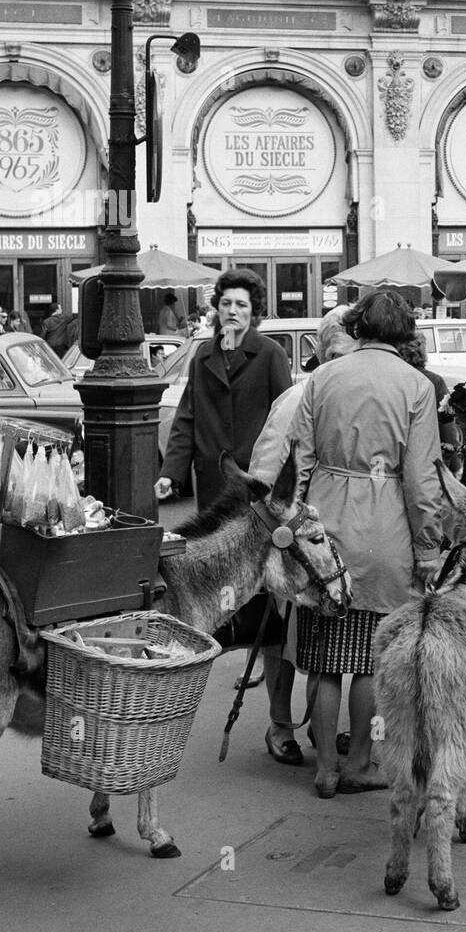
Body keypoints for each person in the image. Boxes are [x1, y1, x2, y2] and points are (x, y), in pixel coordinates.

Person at [291, 289, 444, 798]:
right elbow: (423, 481)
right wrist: (429, 549)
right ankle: (359, 761)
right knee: (366, 658)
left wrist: (299, 529)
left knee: (323, 656)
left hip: (325, 527)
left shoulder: (322, 377)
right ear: (406, 334)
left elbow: (300, 461)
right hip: (386, 531)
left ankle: (324, 768)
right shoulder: (416, 386)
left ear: (358, 326)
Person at [156, 270, 294, 755]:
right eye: (226, 304)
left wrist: (280, 482)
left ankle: (280, 723)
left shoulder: (271, 356)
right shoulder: (202, 356)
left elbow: (289, 419)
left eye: (242, 305)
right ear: (215, 308)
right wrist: (172, 472)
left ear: (255, 311)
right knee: (209, 599)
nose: (232, 312)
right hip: (216, 494)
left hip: (258, 501)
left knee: (270, 616)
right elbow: (187, 418)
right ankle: (179, 715)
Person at [396, 331, 460, 464]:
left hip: (396, 454)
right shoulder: (435, 381)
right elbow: (447, 424)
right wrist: (454, 460)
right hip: (427, 456)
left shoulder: (393, 378)